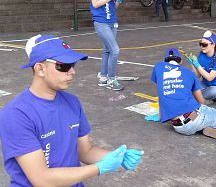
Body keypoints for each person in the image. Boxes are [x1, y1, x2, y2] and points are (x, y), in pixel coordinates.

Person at [0, 34, 143, 187]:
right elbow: (41, 179)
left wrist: (116, 156)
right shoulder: (16, 115)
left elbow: (85, 150)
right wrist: (98, 168)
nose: (72, 71)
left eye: (73, 64)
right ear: (40, 68)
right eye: (63, 66)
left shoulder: (72, 102)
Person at [88, 0, 125, 91]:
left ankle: (103, 77)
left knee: (107, 51)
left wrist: (118, 0)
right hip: (101, 22)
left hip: (111, 22)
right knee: (115, 50)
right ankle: (111, 78)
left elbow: (113, 7)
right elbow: (95, 4)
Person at [187, 30, 216, 103]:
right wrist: (192, 64)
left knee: (214, 91)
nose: (202, 46)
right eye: (201, 44)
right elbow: (198, 76)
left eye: (205, 44)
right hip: (205, 85)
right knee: (190, 85)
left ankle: (196, 98)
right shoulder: (201, 55)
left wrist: (197, 65)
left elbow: (210, 78)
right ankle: (200, 98)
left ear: (213, 45)